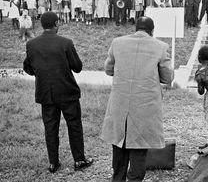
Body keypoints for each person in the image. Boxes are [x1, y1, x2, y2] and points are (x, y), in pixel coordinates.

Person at [101, 16, 174, 182]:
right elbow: (167, 77)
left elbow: (108, 69)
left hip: (120, 103)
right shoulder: (160, 47)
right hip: (145, 105)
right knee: (139, 146)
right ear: (152, 31)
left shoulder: (117, 43)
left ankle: (117, 178)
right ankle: (135, 178)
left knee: (120, 143)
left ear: (136, 29)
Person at [23, 11, 94, 174]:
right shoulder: (66, 43)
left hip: (45, 93)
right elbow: (77, 67)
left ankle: (53, 163)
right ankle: (79, 160)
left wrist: (41, 73)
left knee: (50, 128)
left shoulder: (32, 44)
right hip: (67, 92)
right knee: (74, 125)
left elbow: (27, 68)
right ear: (55, 24)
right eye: (58, 22)